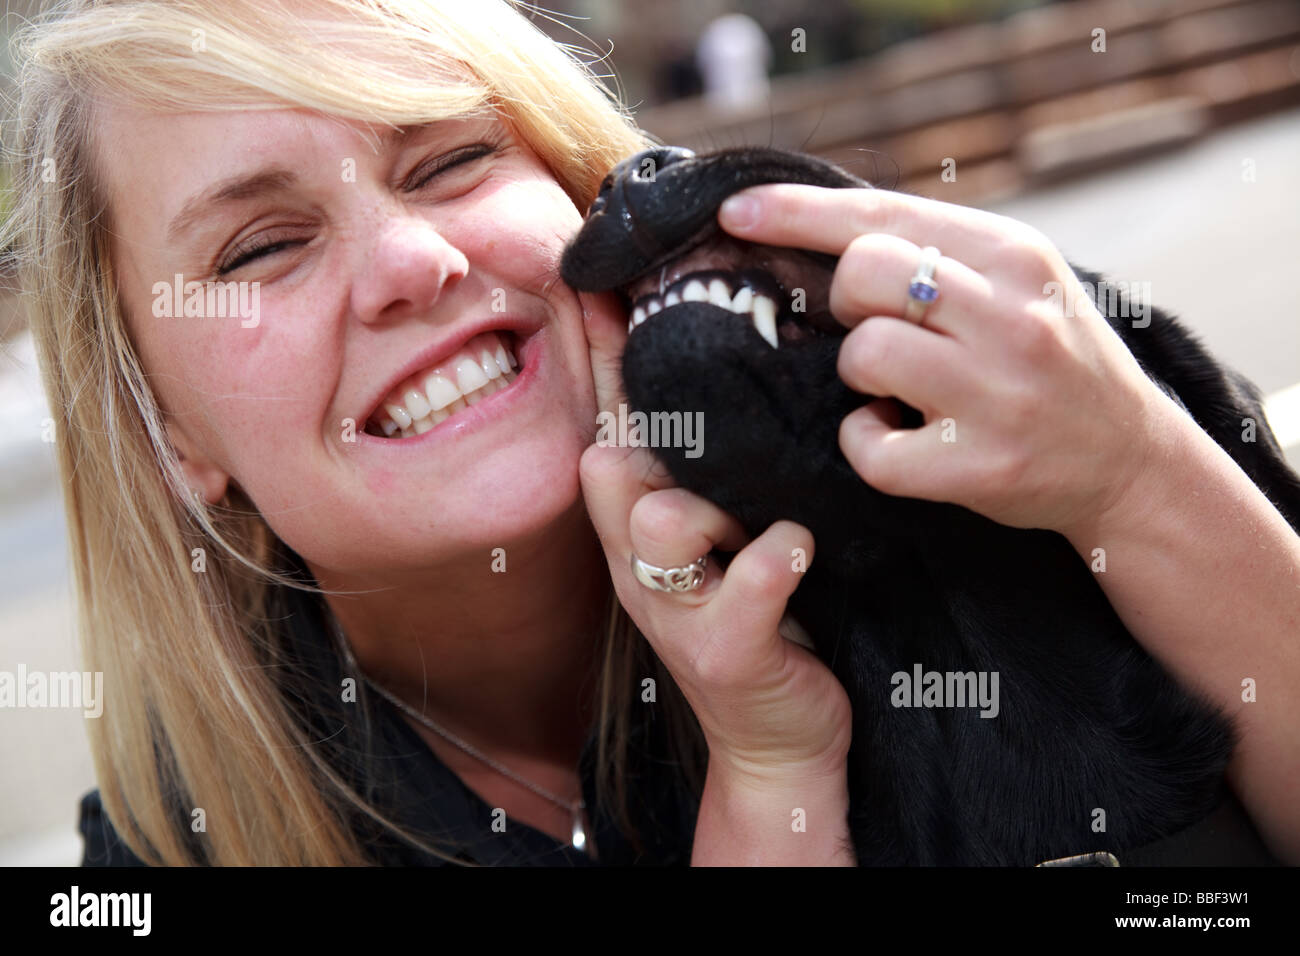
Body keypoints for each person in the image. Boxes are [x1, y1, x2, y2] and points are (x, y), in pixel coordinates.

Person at [6, 0, 1298, 867]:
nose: (415, 258)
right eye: (265, 245)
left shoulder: (946, 427)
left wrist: (1130, 475)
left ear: (580, 184)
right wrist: (771, 772)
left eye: (448, 160)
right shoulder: (177, 845)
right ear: (170, 432)